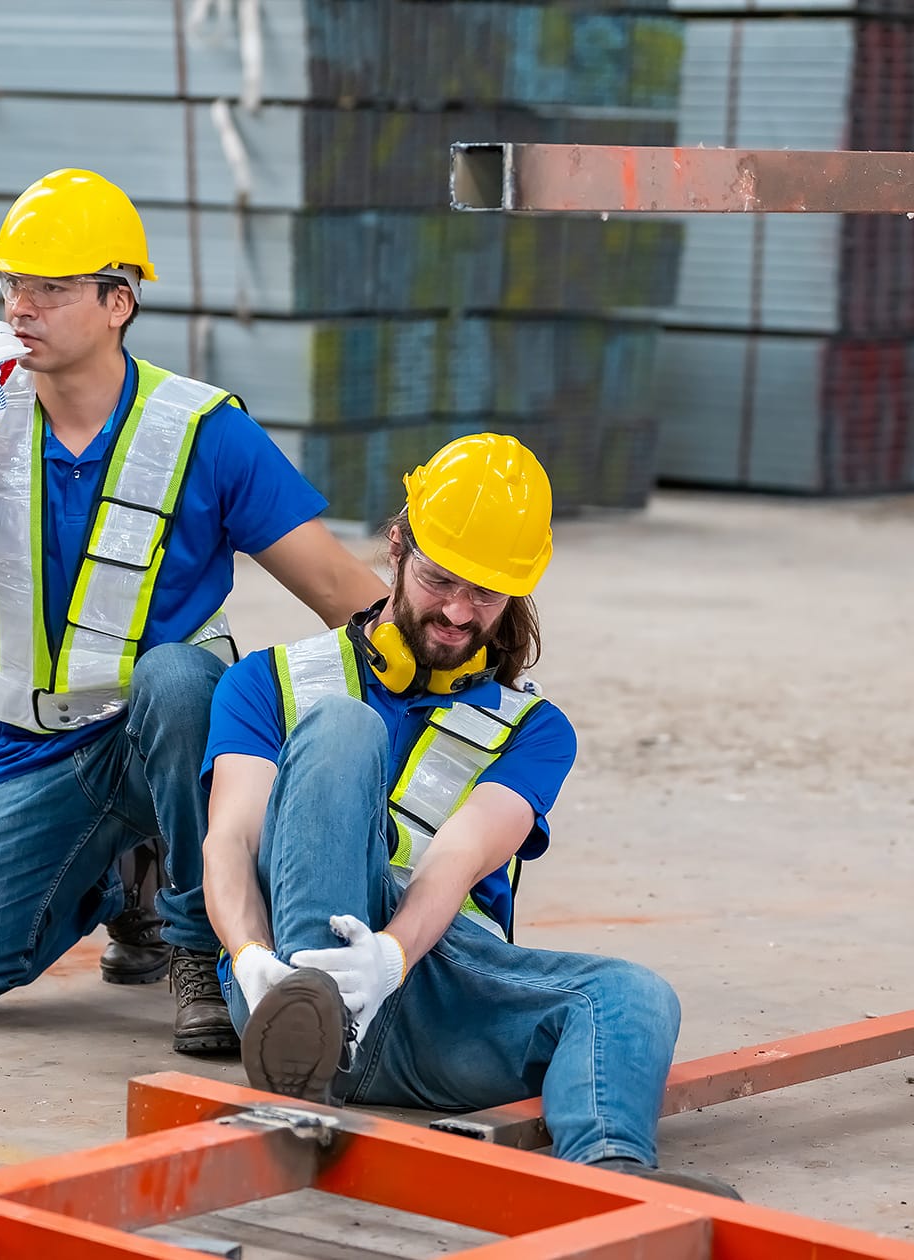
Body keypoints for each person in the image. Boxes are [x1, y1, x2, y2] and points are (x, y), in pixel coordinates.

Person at [0, 168, 386, 1054]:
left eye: (52, 289)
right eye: (14, 283)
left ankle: (196, 942)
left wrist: (467, 659)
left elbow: (337, 589)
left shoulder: (204, 429)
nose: (22, 307)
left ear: (118, 301)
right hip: (44, 750)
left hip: (177, 732)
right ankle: (125, 883)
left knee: (177, 677)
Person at [199, 432, 741, 1199]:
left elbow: (459, 854)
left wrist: (388, 958)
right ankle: (313, 1047)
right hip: (288, 988)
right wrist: (252, 959)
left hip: (431, 991)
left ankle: (615, 1182)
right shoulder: (269, 682)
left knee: (634, 994)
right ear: (396, 545)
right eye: (440, 579)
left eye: (485, 594)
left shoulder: (534, 730)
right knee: (343, 726)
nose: (458, 612)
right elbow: (232, 838)